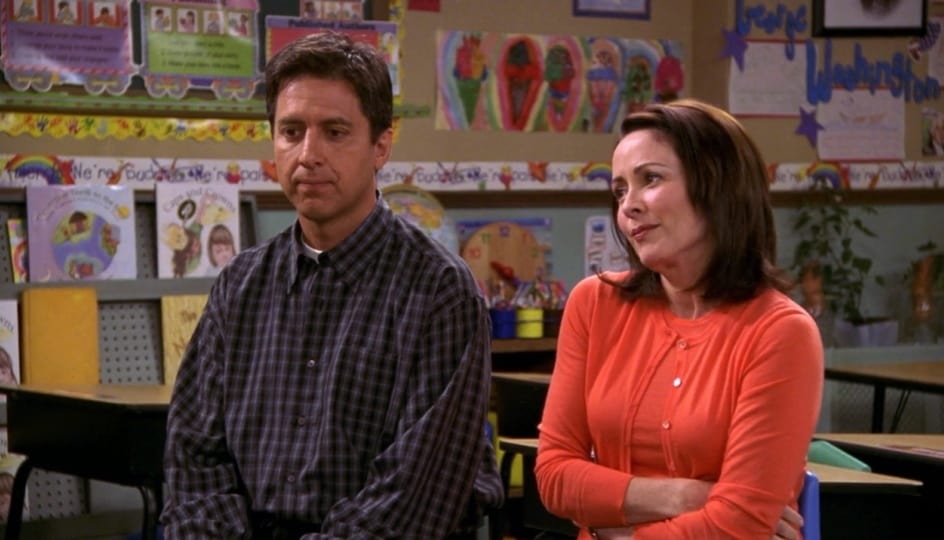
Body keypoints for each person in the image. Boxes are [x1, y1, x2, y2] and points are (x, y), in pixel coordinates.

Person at [161, 31, 503, 539]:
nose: (308, 154)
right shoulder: (240, 286)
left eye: (335, 132)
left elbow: (411, 501)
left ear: (381, 145)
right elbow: (194, 462)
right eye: (291, 131)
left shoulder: (438, 292)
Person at [535, 99, 824, 539]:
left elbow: (738, 523)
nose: (628, 207)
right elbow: (555, 477)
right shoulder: (593, 304)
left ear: (718, 185)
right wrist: (689, 496)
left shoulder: (781, 332)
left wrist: (610, 527)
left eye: (650, 179)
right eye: (619, 190)